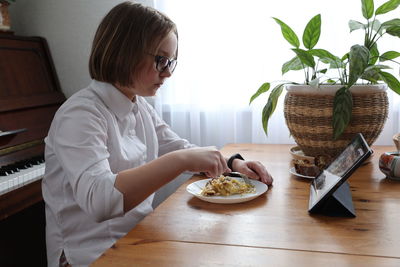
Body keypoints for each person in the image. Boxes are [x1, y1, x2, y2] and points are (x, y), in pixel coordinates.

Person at [42, 2, 273, 266]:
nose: (168, 73)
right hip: (90, 253)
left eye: (171, 62)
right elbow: (100, 201)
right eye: (160, 60)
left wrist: (233, 164)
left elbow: (179, 147)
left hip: (137, 235)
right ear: (124, 51)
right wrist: (181, 160)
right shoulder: (80, 114)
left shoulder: (137, 106)